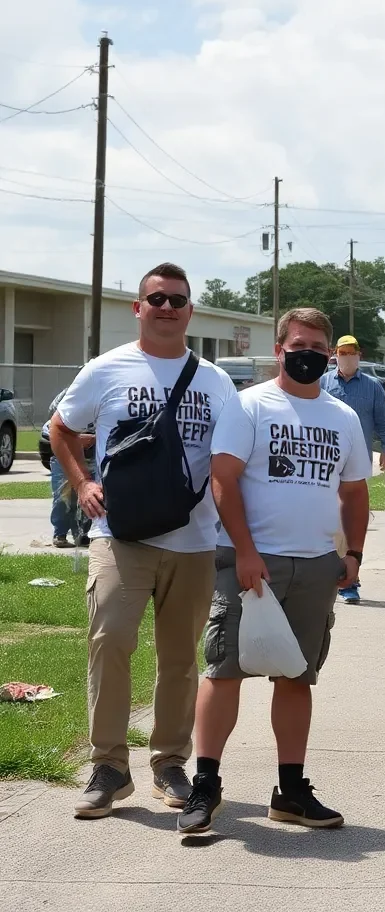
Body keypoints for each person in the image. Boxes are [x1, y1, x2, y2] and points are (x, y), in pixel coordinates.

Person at [50, 262, 236, 819]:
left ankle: (170, 763)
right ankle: (108, 766)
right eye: (156, 298)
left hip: (196, 538)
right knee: (110, 641)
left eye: (177, 299)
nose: (167, 308)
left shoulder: (216, 381)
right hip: (119, 533)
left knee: (180, 658)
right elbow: (60, 427)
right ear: (139, 307)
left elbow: (234, 458)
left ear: (190, 310)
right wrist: (82, 482)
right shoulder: (105, 370)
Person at [177, 307, 370, 835]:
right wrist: (244, 551)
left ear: (330, 355)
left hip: (314, 565)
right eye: (298, 345)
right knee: (224, 671)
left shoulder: (343, 416)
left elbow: (354, 492)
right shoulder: (250, 406)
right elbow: (224, 480)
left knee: (296, 676)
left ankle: (290, 791)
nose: (307, 355)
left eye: (318, 348)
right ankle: (206, 784)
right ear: (280, 348)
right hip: (249, 563)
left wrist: (352, 555)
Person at [320, 334, 385, 604]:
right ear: (334, 354)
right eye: (342, 351)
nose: (347, 356)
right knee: (332, 521)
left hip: (358, 460)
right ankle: (334, 573)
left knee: (350, 520)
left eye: (352, 351)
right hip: (327, 459)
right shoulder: (323, 382)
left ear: (359, 355)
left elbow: (383, 421)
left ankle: (350, 578)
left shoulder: (372, 386)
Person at [44, 387, 94, 548]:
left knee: (90, 496)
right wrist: (76, 440)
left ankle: (83, 534)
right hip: (65, 458)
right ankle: (60, 534)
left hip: (92, 455)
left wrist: (94, 437)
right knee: (63, 498)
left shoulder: (102, 396)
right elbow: (51, 429)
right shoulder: (67, 396)